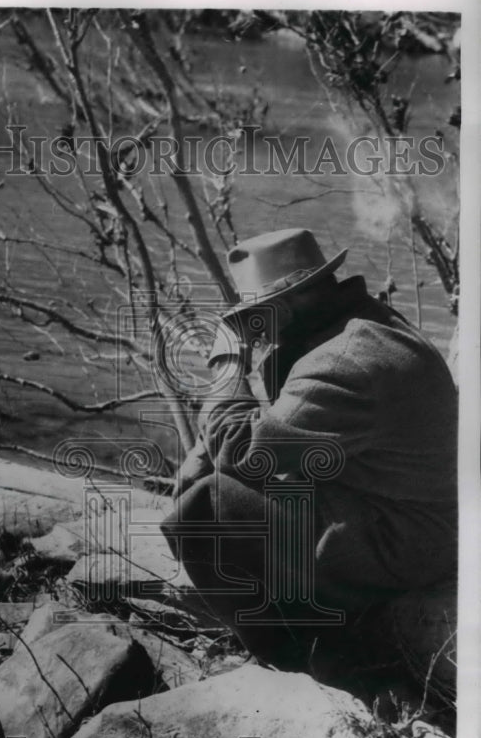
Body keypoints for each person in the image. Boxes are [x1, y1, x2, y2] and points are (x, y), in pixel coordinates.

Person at [161, 227, 458, 680]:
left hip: (409, 541)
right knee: (223, 488)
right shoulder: (361, 323)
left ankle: (291, 659)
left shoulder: (343, 360)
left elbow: (245, 453)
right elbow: (277, 431)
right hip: (401, 512)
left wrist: (227, 364)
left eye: (254, 318)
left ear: (280, 309)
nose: (253, 333)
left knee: (206, 507)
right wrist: (201, 455)